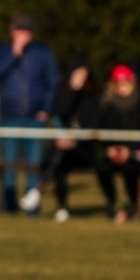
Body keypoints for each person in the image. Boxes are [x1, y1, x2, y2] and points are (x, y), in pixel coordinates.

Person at [0, 15, 60, 215]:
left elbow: (52, 83)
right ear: (12, 31)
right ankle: (10, 206)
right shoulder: (3, 51)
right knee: (9, 164)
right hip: (9, 116)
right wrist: (13, 54)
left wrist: (45, 109)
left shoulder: (43, 53)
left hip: (34, 119)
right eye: (19, 30)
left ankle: (31, 209)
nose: (23, 35)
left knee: (33, 166)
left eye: (26, 31)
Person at [94, 65, 140, 223]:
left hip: (137, 152)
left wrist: (131, 150)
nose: (123, 87)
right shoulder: (108, 106)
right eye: (119, 83)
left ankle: (133, 206)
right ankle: (113, 204)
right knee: (102, 167)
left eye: (126, 82)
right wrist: (110, 149)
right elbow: (103, 132)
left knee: (131, 169)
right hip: (115, 152)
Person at [45, 61, 100, 222]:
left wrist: (76, 141)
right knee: (59, 164)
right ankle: (61, 207)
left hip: (84, 149)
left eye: (84, 75)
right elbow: (60, 114)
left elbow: (93, 123)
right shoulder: (62, 93)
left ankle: (113, 207)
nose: (81, 79)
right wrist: (73, 91)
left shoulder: (92, 97)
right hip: (62, 148)